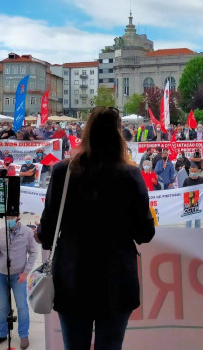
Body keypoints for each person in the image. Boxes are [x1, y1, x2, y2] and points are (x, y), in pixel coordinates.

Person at [35, 107, 155, 350]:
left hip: (73, 278)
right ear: (118, 134)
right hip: (116, 280)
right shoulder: (130, 174)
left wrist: (38, 233)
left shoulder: (62, 172)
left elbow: (47, 234)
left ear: (86, 134)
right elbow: (145, 233)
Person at [0, 214, 38, 349]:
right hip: (2, 275)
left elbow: (33, 252)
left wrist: (25, 272)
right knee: (2, 307)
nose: (9, 219)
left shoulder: (27, 232)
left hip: (18, 277)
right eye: (7, 217)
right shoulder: (0, 232)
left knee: (22, 306)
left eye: (11, 217)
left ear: (18, 217)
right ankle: (2, 333)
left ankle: (23, 335)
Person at [182, 164, 203, 228]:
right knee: (188, 222)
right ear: (189, 171)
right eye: (192, 171)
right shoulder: (186, 180)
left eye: (195, 171)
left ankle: (197, 235)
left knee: (198, 222)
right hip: (189, 203)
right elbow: (183, 191)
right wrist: (187, 202)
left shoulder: (200, 179)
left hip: (198, 203)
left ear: (197, 171)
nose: (193, 173)